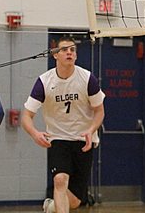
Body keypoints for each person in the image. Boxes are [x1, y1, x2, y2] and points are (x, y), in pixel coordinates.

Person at [21, 36, 105, 213]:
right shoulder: (44, 81)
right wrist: (35, 133)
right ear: (55, 55)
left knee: (74, 201)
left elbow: (99, 111)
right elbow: (26, 116)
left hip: (84, 139)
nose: (69, 52)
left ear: (75, 56)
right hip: (58, 139)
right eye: (64, 49)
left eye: (72, 50)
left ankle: (51, 207)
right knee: (59, 180)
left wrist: (91, 130)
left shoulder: (88, 78)